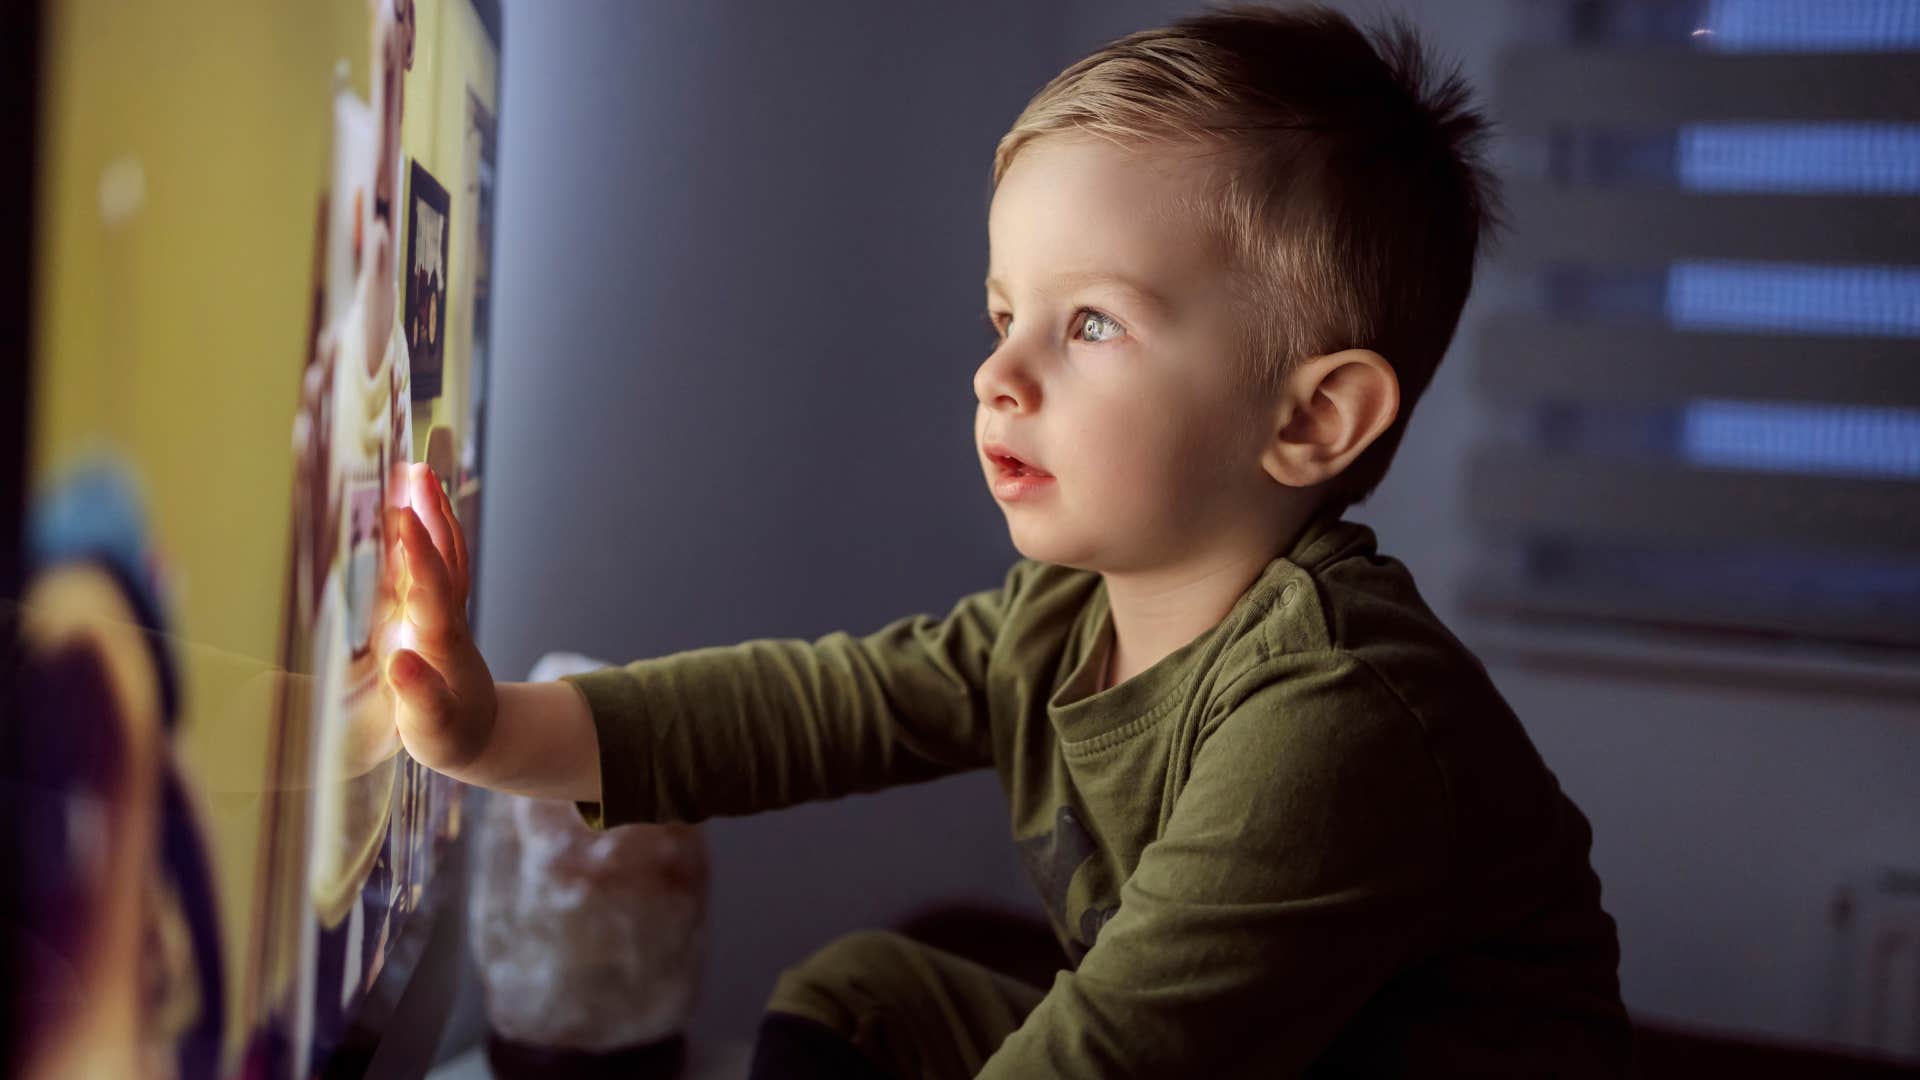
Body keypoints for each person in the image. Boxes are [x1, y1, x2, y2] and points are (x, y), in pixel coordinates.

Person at [375, 4, 1633, 1076]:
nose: (997, 375)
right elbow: (799, 710)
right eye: (1002, 312)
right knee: (865, 995)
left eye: (1089, 324)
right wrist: (489, 730)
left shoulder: (1337, 719)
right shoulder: (1061, 620)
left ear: (1311, 417)